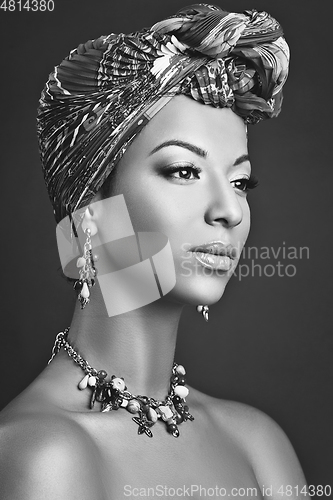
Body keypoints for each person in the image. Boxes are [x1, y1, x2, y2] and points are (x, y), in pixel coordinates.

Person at [0, 4, 309, 499]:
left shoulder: (258, 445)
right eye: (184, 171)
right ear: (91, 213)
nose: (229, 209)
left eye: (241, 181)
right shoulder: (39, 456)